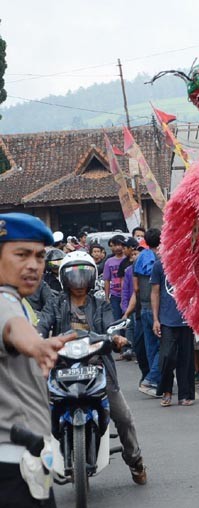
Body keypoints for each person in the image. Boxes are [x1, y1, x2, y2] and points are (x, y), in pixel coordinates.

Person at [37, 251, 147, 485]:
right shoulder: (55, 303)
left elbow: (111, 327)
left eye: (83, 276)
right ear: (64, 279)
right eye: (73, 277)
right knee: (37, 414)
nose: (78, 282)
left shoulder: (101, 303)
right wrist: (35, 339)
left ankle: (135, 459)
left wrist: (116, 338)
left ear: (92, 277)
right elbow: (43, 324)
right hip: (61, 368)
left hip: (97, 367)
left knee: (124, 417)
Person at [0, 213, 76, 508]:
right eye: (21, 255)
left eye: (39, 256)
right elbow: (13, 328)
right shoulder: (4, 301)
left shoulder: (17, 299)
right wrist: (37, 346)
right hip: (13, 469)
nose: (33, 265)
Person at [151, 253, 195, 407]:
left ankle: (184, 394)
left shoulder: (188, 263)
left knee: (186, 358)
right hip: (166, 320)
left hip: (186, 319)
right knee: (167, 356)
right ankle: (166, 390)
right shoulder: (159, 265)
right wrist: (156, 319)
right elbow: (155, 292)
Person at [134, 228, 162, 396]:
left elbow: (136, 287)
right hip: (156, 308)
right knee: (163, 345)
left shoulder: (139, 258)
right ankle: (151, 379)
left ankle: (154, 380)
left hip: (143, 306)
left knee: (150, 346)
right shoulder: (160, 259)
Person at [103, 235, 126, 319]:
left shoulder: (128, 259)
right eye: (115, 245)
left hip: (127, 295)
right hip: (115, 295)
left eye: (119, 245)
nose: (117, 248)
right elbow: (107, 280)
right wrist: (107, 297)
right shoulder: (109, 262)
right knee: (116, 318)